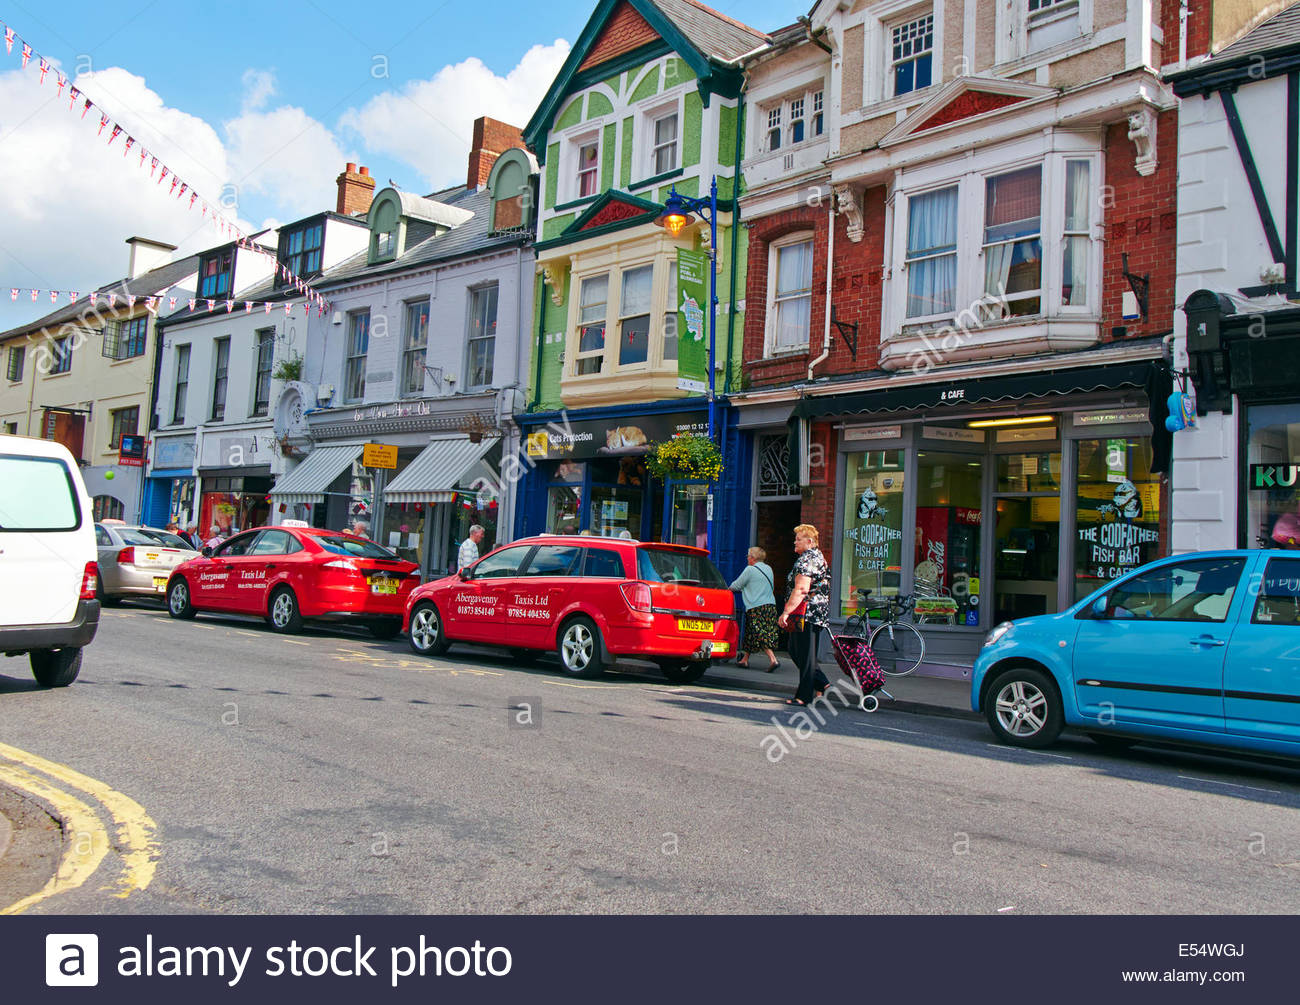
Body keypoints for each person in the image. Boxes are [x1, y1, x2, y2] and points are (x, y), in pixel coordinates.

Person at [777, 523, 831, 706]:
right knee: (796, 650)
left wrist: (786, 612)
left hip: (807, 613)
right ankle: (821, 683)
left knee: (804, 654)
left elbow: (801, 589)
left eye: (798, 539)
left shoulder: (808, 559)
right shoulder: (816, 557)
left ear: (809, 541)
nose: (795, 542)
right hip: (813, 613)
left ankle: (804, 696)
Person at [730, 547, 779, 672]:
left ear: (753, 558)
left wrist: (727, 589)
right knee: (751, 634)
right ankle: (744, 660)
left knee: (760, 633)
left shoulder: (750, 570)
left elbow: (737, 585)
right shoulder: (769, 569)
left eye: (748, 556)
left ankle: (773, 659)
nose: (747, 558)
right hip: (770, 605)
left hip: (756, 606)